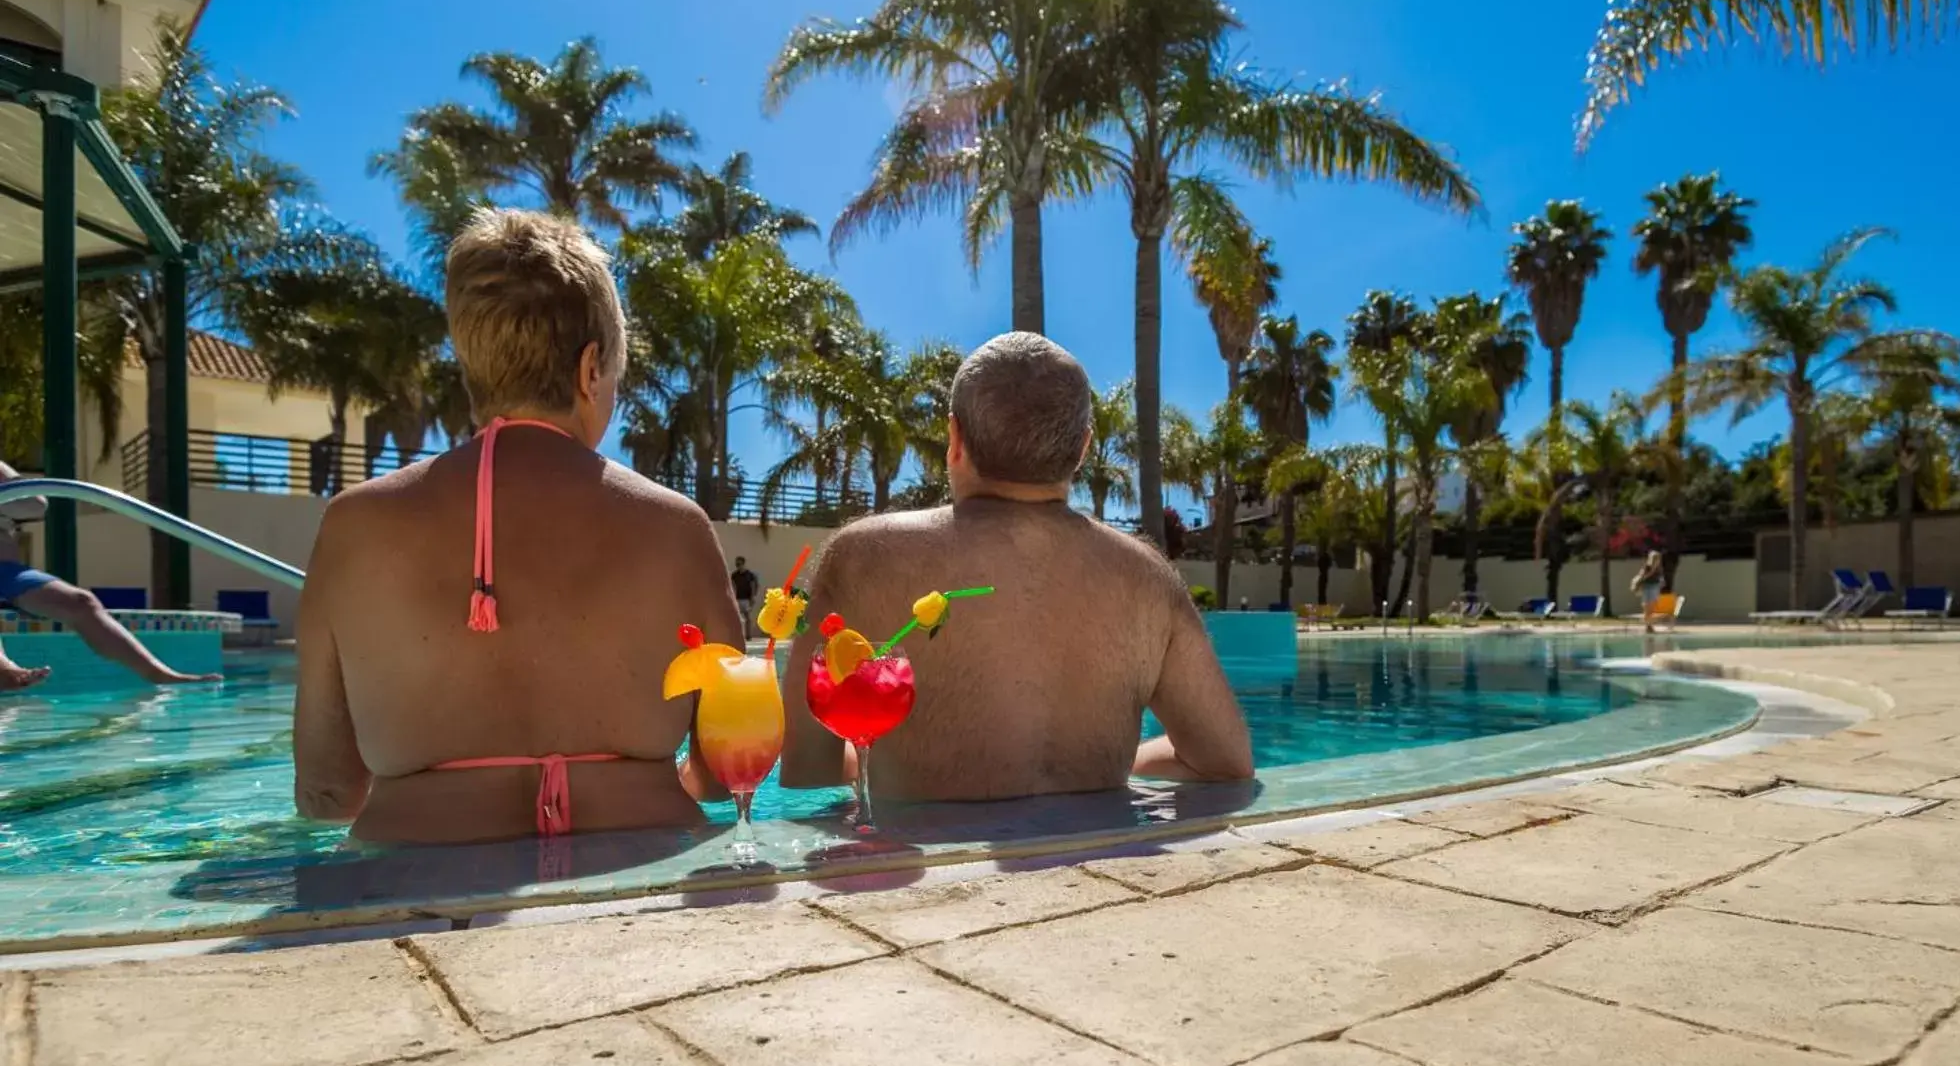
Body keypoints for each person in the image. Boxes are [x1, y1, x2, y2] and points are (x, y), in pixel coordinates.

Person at [293, 209, 742, 843]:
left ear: (473, 363)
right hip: (644, 878)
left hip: (408, 890)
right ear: (591, 370)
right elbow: (729, 771)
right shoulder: (677, 528)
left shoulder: (353, 527)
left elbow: (327, 792)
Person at [779, 331, 1253, 800]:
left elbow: (806, 772)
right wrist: (1113, 765)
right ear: (1082, 448)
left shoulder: (864, 557)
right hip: (1097, 859)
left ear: (955, 437)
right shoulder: (1148, 577)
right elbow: (1224, 762)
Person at [0, 459, 218, 689]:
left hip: (8, 571)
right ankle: (5, 669)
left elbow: (36, 504)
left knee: (82, 602)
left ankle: (159, 674)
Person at [1630, 549, 1665, 635]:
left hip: (1655, 587)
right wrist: (1650, 572)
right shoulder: (1647, 567)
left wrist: (1661, 581)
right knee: (1646, 608)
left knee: (1651, 609)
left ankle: (1649, 626)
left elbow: (1660, 577)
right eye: (1656, 558)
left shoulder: (1659, 568)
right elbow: (1642, 576)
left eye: (1658, 559)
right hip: (1647, 588)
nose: (1658, 560)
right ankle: (1648, 626)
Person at [730, 556, 759, 640]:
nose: (738, 566)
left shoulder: (749, 575)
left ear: (743, 564)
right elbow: (732, 586)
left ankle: (748, 635)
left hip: (746, 599)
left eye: (739, 564)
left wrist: (752, 598)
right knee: (737, 618)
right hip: (737, 598)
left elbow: (753, 586)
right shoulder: (734, 575)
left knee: (747, 618)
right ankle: (738, 635)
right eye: (736, 564)